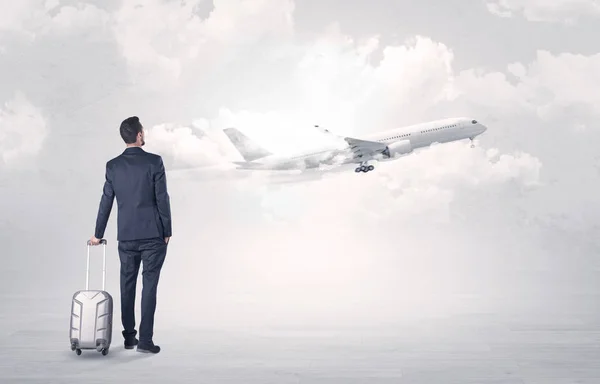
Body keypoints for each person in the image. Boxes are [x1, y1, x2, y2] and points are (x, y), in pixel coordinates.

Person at [89, 116, 172, 354]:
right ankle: (145, 341)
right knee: (149, 287)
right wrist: (167, 230)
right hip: (153, 235)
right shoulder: (154, 162)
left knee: (127, 285)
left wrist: (97, 234)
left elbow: (106, 201)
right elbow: (162, 198)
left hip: (125, 236)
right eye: (143, 132)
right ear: (138, 135)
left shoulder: (113, 166)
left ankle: (129, 338)